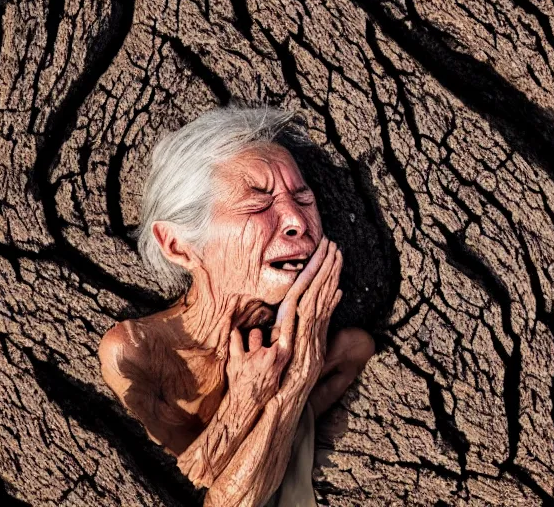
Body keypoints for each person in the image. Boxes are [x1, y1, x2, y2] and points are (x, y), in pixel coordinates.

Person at [98, 107, 376, 507]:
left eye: (302, 198)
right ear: (179, 245)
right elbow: (198, 481)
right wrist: (252, 394)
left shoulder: (333, 348)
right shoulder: (136, 352)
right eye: (259, 205)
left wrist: (297, 377)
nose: (297, 221)